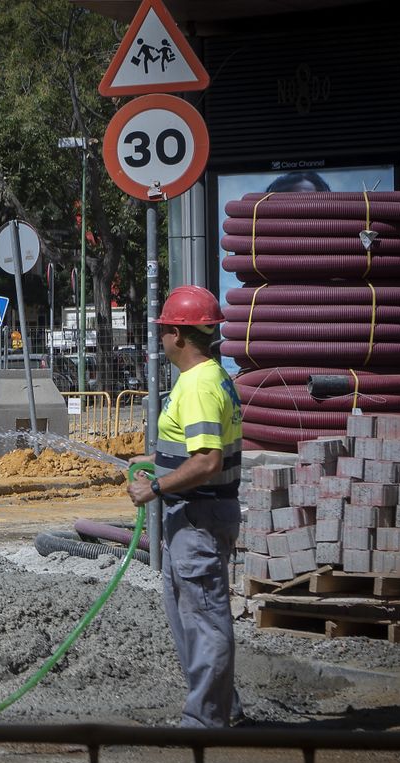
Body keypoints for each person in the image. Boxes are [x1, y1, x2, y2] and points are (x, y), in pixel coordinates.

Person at [127, 285, 244, 728]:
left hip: (198, 517)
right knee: (193, 619)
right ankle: (222, 708)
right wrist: (155, 463)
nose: (159, 339)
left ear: (179, 334)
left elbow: (207, 461)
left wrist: (154, 490)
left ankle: (205, 724)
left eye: (163, 331)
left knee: (205, 622)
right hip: (200, 515)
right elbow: (198, 451)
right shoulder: (213, 377)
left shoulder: (196, 385)